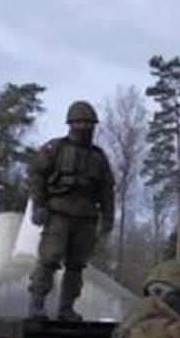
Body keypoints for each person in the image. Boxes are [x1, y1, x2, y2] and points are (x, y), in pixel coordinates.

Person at [27, 100, 116, 320]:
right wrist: (39, 204)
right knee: (49, 258)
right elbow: (36, 174)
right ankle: (37, 303)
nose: (84, 127)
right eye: (79, 122)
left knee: (76, 266)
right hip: (58, 214)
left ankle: (66, 308)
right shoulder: (55, 148)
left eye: (88, 123)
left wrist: (108, 218)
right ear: (70, 123)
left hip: (86, 217)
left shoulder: (98, 156)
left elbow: (107, 190)